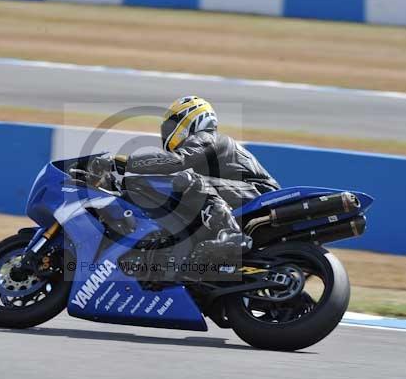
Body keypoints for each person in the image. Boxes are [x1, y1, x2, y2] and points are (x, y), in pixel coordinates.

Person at [93, 96, 280, 258]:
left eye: (173, 124)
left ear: (192, 118)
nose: (167, 131)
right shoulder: (204, 149)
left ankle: (231, 235)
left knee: (191, 182)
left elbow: (176, 161)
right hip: (241, 195)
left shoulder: (208, 137)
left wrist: (124, 163)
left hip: (260, 194)